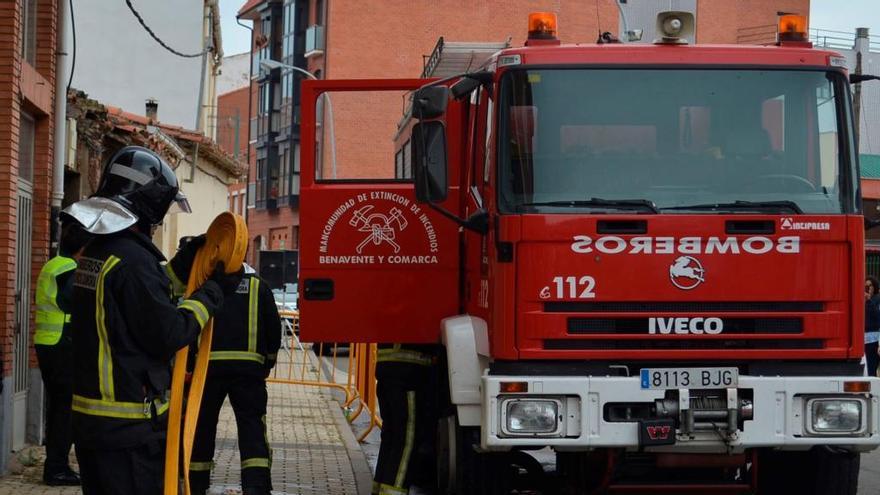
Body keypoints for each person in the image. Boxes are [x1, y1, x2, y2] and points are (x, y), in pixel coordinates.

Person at [62, 145, 242, 495]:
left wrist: (181, 265)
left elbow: (137, 303)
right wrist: (213, 292)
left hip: (93, 427)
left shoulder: (98, 253)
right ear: (151, 206)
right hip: (128, 433)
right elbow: (169, 332)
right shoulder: (133, 262)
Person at [189, 263, 281, 495]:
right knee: (252, 427)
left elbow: (191, 324)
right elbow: (273, 329)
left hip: (208, 371)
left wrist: (191, 364)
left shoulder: (205, 287)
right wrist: (267, 361)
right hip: (249, 371)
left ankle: (196, 483)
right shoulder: (260, 287)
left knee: (203, 427)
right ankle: (256, 485)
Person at [33, 220, 92, 486]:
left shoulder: (52, 264)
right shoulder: (70, 269)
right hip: (61, 345)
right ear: (82, 248)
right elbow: (72, 302)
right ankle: (56, 468)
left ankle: (55, 465)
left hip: (48, 343)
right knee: (64, 411)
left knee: (58, 408)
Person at [372, 344, 440, 495]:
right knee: (406, 440)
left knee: (390, 438)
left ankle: (378, 490)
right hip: (408, 375)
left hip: (387, 370)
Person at [866, 277, 880, 377]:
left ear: (874, 286)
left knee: (871, 368)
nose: (867, 288)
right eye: (865, 286)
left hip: (874, 339)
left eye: (869, 285)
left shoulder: (877, 299)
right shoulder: (862, 299)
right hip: (863, 338)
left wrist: (869, 301)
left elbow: (877, 317)